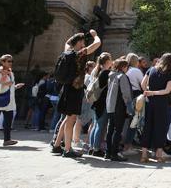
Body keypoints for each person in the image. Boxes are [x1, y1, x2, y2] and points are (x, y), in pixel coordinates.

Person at [52, 30, 101, 158]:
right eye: (83, 41)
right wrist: (94, 35)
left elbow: (67, 42)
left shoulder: (67, 51)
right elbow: (97, 43)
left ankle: (57, 145)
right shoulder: (80, 54)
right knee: (71, 119)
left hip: (66, 88)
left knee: (67, 117)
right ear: (79, 42)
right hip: (75, 89)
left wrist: (77, 36)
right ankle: (68, 149)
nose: (84, 44)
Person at [140, 53, 171, 163]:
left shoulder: (151, 69)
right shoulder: (170, 73)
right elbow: (167, 90)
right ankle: (159, 155)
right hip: (162, 103)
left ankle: (144, 154)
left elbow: (142, 84)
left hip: (149, 102)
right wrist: (154, 92)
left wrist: (148, 91)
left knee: (148, 127)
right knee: (160, 128)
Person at [105, 58, 132, 162]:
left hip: (110, 106)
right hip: (119, 107)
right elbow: (126, 94)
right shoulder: (122, 77)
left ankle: (108, 152)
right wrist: (129, 106)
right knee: (118, 130)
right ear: (123, 67)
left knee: (110, 130)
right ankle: (114, 153)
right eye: (126, 67)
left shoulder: (111, 76)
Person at [89, 52, 112, 157]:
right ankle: (96, 149)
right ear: (107, 62)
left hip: (96, 102)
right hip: (103, 102)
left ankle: (92, 147)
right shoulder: (107, 73)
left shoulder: (96, 71)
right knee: (100, 126)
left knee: (95, 125)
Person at [124, 53, 143, 155]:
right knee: (134, 122)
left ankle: (127, 144)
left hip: (127, 96)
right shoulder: (136, 71)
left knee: (129, 122)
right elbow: (143, 83)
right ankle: (128, 146)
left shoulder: (126, 70)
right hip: (136, 96)